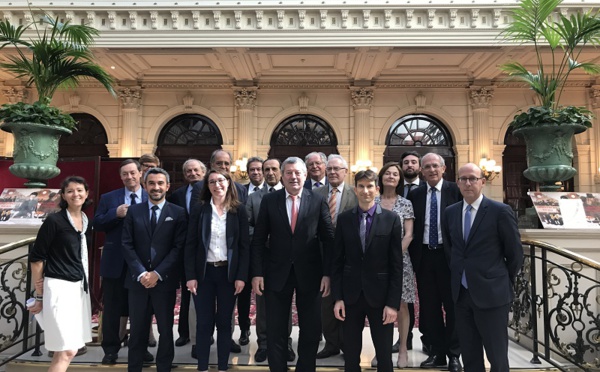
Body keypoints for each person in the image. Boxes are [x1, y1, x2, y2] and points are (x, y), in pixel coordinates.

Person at [251, 156, 334, 372]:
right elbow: (259, 239)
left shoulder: (317, 200)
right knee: (276, 328)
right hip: (276, 273)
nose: (293, 176)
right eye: (288, 173)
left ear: (305, 175)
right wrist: (257, 273)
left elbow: (328, 239)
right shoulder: (270, 201)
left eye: (298, 172)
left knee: (311, 328)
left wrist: (328, 274)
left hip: (311, 274)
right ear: (282, 176)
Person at [443, 163, 523, 372]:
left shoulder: (500, 211)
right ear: (457, 183)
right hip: (461, 295)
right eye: (463, 179)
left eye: (472, 178)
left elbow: (514, 253)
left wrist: (503, 281)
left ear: (482, 182)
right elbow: (451, 250)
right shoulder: (450, 212)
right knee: (470, 356)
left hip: (492, 294)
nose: (468, 183)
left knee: (497, 357)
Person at [331, 169, 403, 372]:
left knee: (384, 357)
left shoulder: (391, 219)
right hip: (350, 296)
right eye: (361, 186)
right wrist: (338, 298)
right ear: (355, 190)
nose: (365, 190)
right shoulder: (344, 219)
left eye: (370, 186)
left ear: (377, 190)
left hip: (380, 298)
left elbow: (396, 265)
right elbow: (337, 261)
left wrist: (392, 304)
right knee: (351, 356)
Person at [122, 167, 187, 372]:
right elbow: (127, 244)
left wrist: (157, 274)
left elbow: (178, 247)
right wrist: (142, 273)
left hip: (164, 281)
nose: (156, 187)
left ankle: (164, 367)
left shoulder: (178, 213)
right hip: (137, 281)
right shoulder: (133, 211)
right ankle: (134, 367)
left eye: (160, 183)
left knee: (166, 330)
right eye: (151, 183)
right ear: (145, 185)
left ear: (167, 186)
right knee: (138, 329)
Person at [185, 169, 250, 372]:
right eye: (212, 181)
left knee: (224, 323)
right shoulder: (199, 209)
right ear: (207, 186)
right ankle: (202, 367)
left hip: (228, 275)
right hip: (204, 274)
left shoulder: (238, 210)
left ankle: (223, 367)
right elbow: (190, 244)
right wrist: (191, 276)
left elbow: (243, 246)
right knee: (204, 324)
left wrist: (241, 276)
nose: (217, 185)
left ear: (229, 183)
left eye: (220, 180)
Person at [29, 176, 93, 372]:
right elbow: (37, 257)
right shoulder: (54, 221)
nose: (76, 194)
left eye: (80, 190)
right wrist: (38, 293)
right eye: (70, 190)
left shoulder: (85, 220)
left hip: (78, 288)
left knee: (65, 350)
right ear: (63, 195)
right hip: (58, 287)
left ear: (87, 193)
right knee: (67, 350)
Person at [407, 153, 462, 372]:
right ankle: (438, 352)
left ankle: (454, 354)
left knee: (453, 307)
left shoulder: (455, 191)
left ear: (444, 168)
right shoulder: (416, 195)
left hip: (449, 257)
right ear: (421, 170)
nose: (431, 170)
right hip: (424, 257)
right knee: (429, 309)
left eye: (435, 166)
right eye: (427, 166)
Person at [94, 159, 152, 365]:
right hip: (116, 263)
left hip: (142, 264)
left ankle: (141, 348)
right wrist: (115, 214)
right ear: (121, 177)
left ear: (140, 174)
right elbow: (97, 223)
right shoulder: (109, 198)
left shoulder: (150, 196)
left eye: (133, 173)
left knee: (141, 309)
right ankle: (110, 349)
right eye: (125, 174)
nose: (129, 177)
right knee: (112, 309)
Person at [246, 158, 296, 363]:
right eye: (266, 169)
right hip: (265, 260)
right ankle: (264, 343)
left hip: (288, 261)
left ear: (282, 172)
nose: (269, 172)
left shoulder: (292, 194)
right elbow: (247, 226)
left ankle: (285, 343)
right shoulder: (254, 198)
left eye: (274, 169)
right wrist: (265, 236)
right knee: (264, 305)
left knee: (286, 305)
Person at [314, 154, 357, 359]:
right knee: (325, 299)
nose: (332, 172)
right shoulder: (316, 193)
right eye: (329, 168)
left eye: (336, 169)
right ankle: (331, 343)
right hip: (322, 255)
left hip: (349, 256)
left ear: (345, 172)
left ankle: (347, 343)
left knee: (347, 300)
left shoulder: (355, 193)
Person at [376, 162, 414, 368]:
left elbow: (408, 234)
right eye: (387, 173)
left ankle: (402, 350)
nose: (391, 176)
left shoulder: (406, 203)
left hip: (400, 261)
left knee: (401, 305)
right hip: (374, 262)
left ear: (400, 179)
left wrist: (393, 256)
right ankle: (381, 350)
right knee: (377, 305)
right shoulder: (372, 200)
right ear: (381, 177)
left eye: (395, 174)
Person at [168, 158, 206, 351]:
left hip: (207, 251)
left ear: (203, 172)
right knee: (186, 293)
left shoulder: (210, 191)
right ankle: (184, 333)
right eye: (188, 171)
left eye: (196, 170)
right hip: (184, 251)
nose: (192, 174)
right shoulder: (177, 195)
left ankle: (206, 334)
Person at [398, 151, 422, 353]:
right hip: (400, 253)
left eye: (414, 162)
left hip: (421, 250)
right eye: (406, 162)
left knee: (422, 297)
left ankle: (429, 338)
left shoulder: (425, 188)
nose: (410, 165)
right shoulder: (395, 192)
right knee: (402, 298)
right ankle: (405, 338)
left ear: (419, 166)